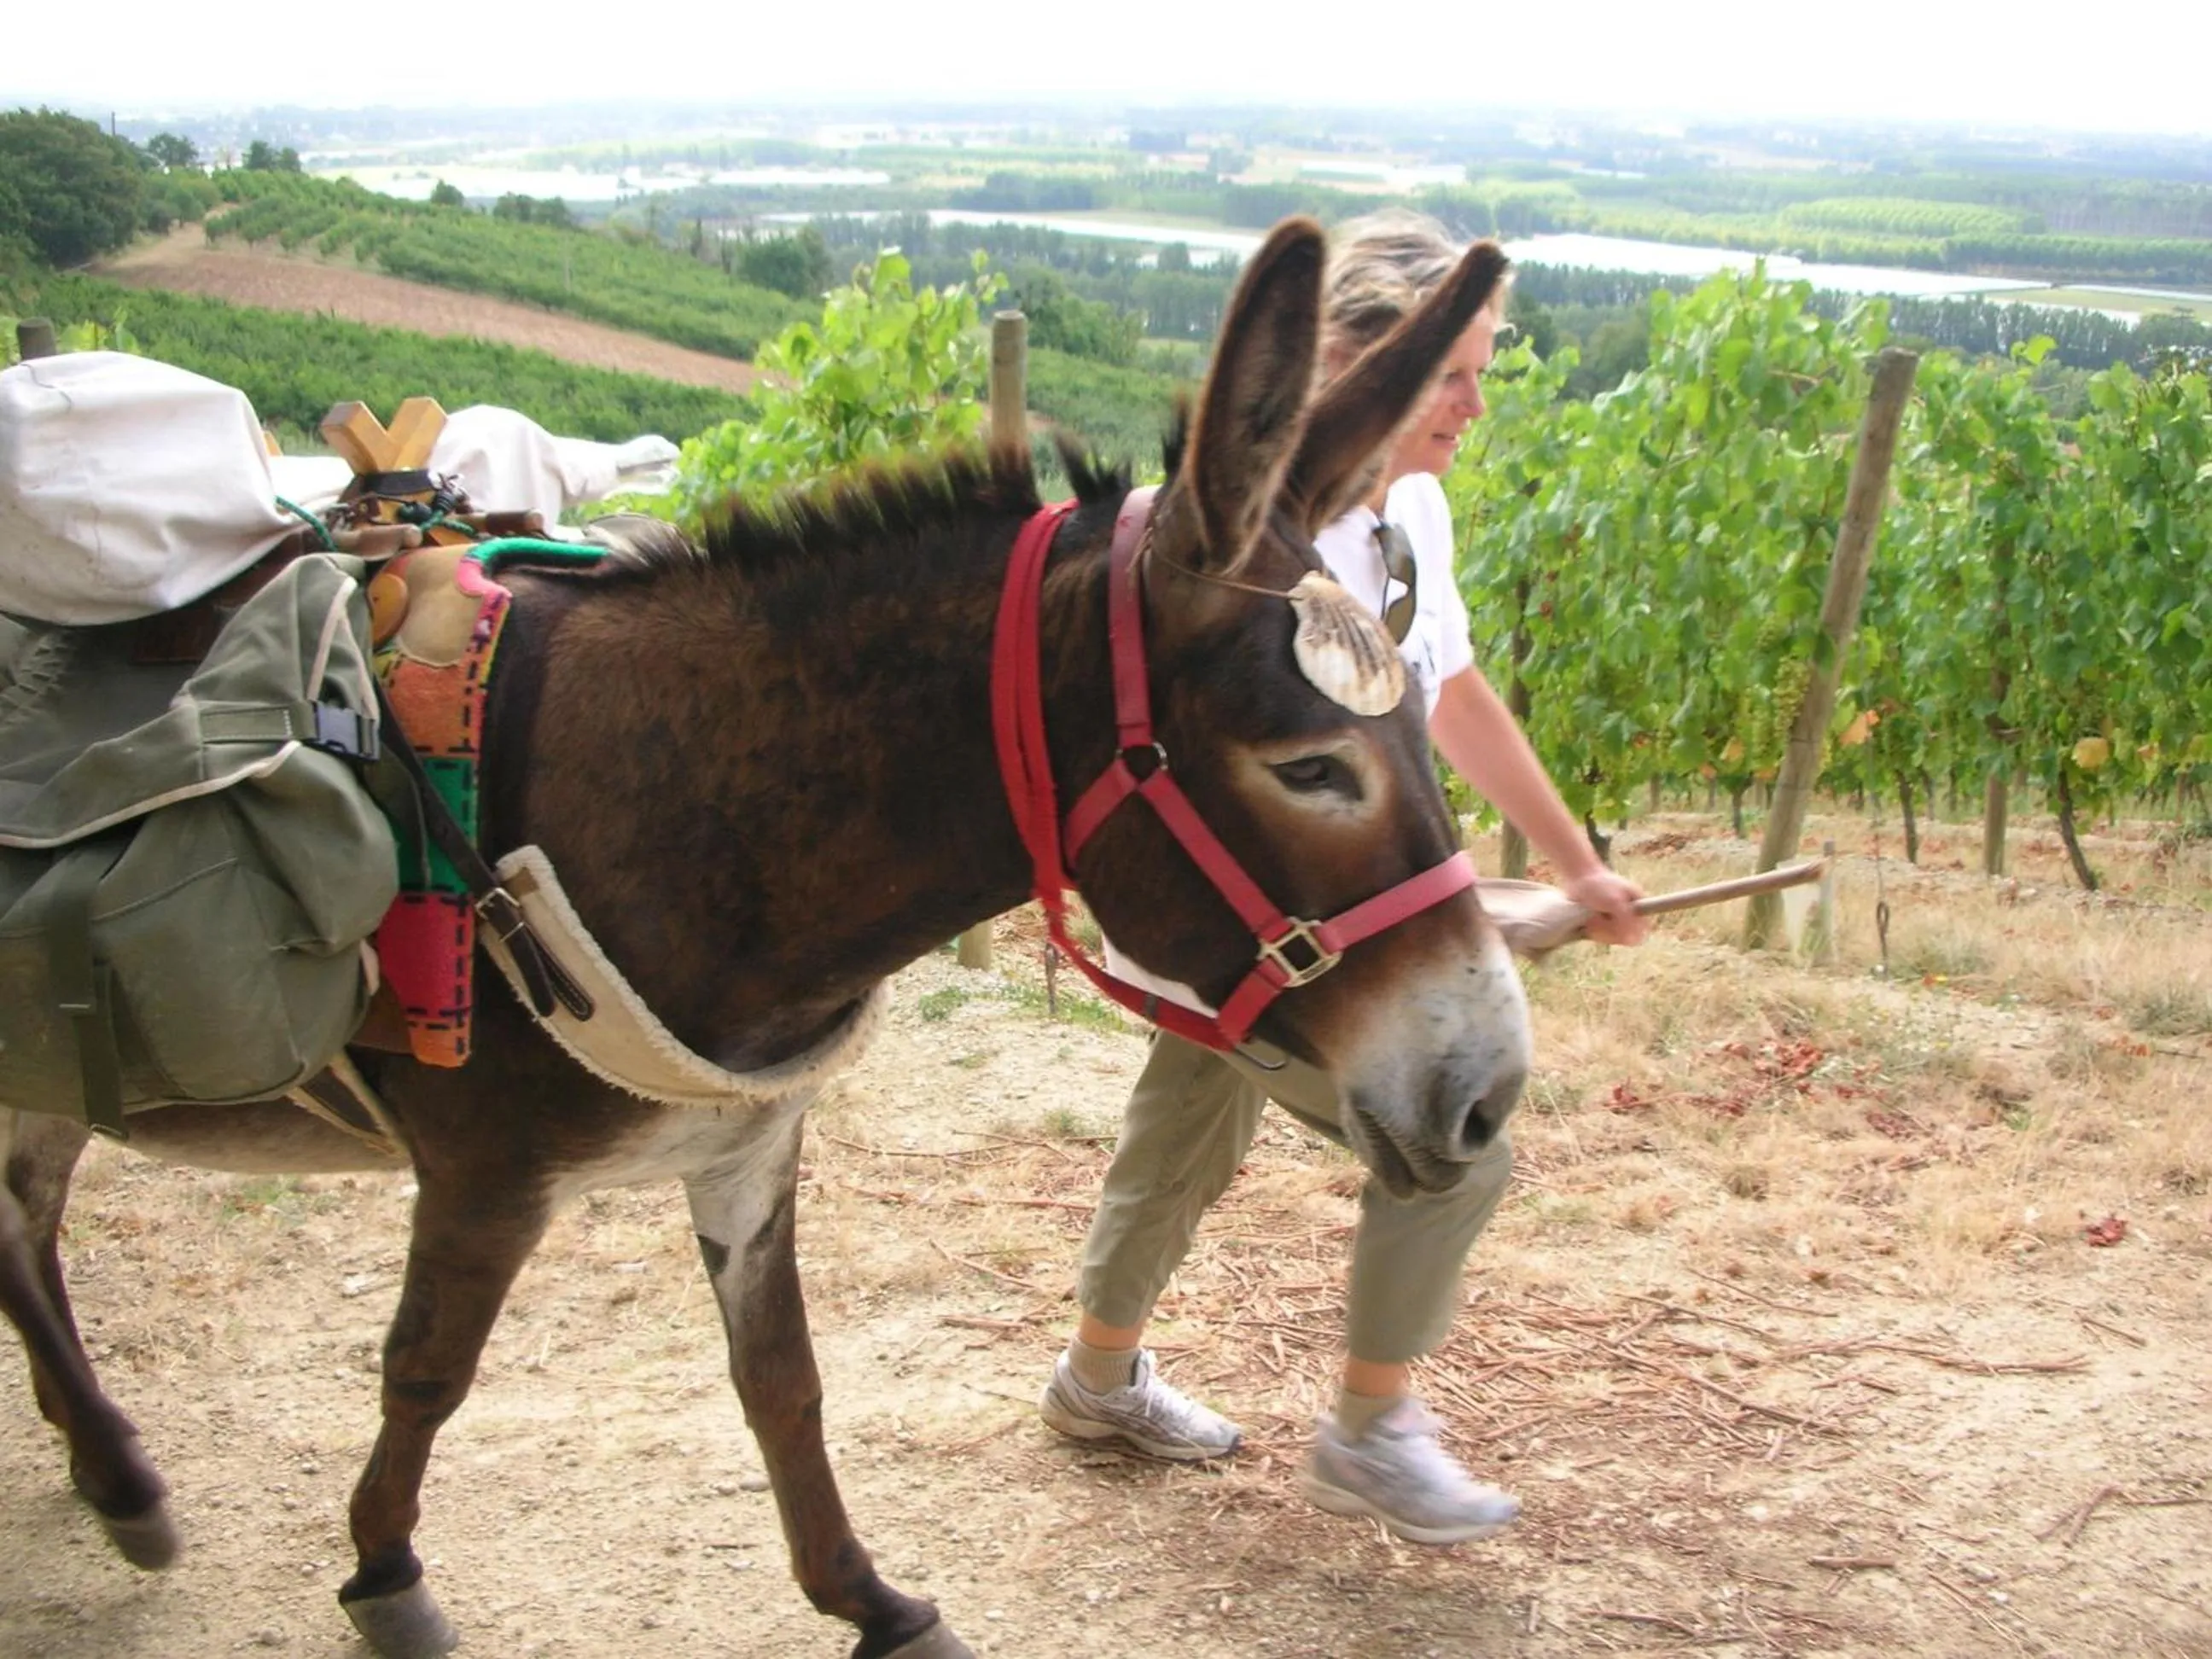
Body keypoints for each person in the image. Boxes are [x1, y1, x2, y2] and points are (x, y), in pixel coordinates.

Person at [1036, 210, 1650, 1545]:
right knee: (1450, 1143)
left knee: (1189, 1125)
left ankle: (1095, 1379)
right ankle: (1371, 1429)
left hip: (1295, 917)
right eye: (1452, 373)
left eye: (1480, 369)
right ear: (1366, 365)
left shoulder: (1410, 514)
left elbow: (1450, 693)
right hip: (1245, 921)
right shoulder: (1268, 545)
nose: (1475, 403)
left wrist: (1573, 863)